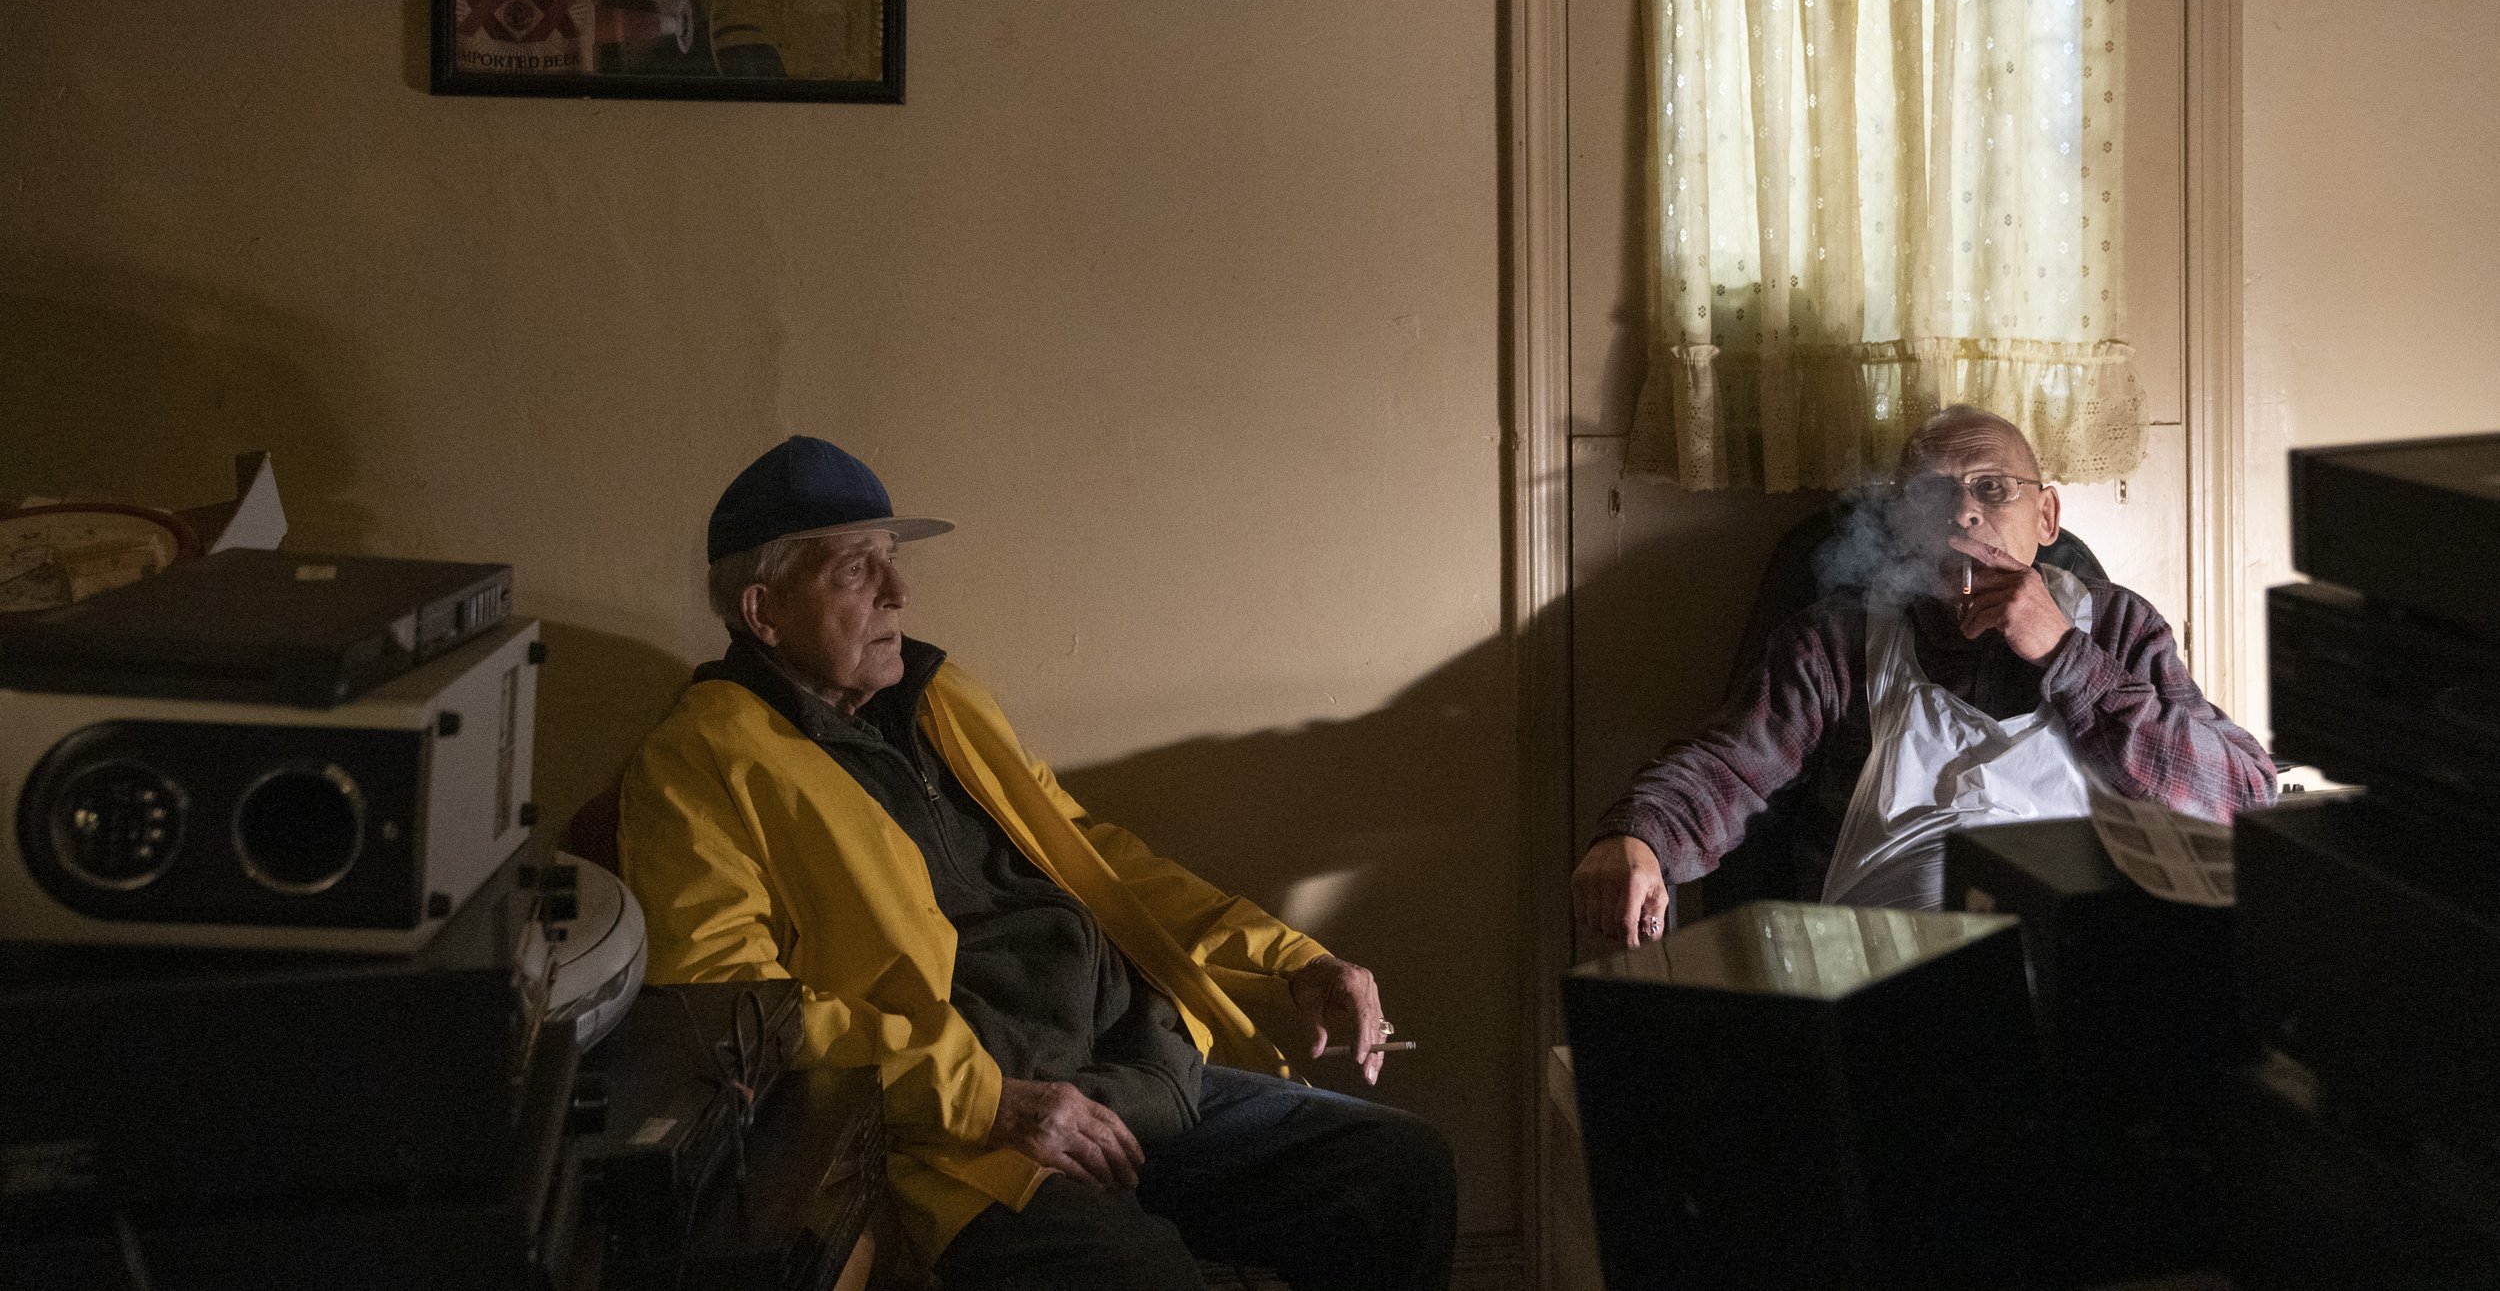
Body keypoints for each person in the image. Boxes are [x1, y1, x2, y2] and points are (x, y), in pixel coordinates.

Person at [618, 437, 1456, 1290]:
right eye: (855, 571)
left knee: (1397, 1171)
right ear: (764, 611)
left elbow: (1097, 859)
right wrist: (987, 1100)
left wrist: (1293, 959)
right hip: (966, 1138)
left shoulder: (940, 696)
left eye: (893, 560)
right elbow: (734, 1011)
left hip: (1133, 1068)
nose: (899, 594)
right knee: (1144, 1278)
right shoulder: (697, 763)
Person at [1572, 406, 2277, 937]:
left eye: (1994, 487)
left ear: (2047, 514)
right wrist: (1638, 836)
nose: (1966, 510)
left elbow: (2243, 794)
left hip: (2080, 976)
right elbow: (1728, 768)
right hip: (1887, 977)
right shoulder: (1837, 640)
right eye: (1933, 497)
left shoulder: (2118, 628)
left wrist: (2067, 656)